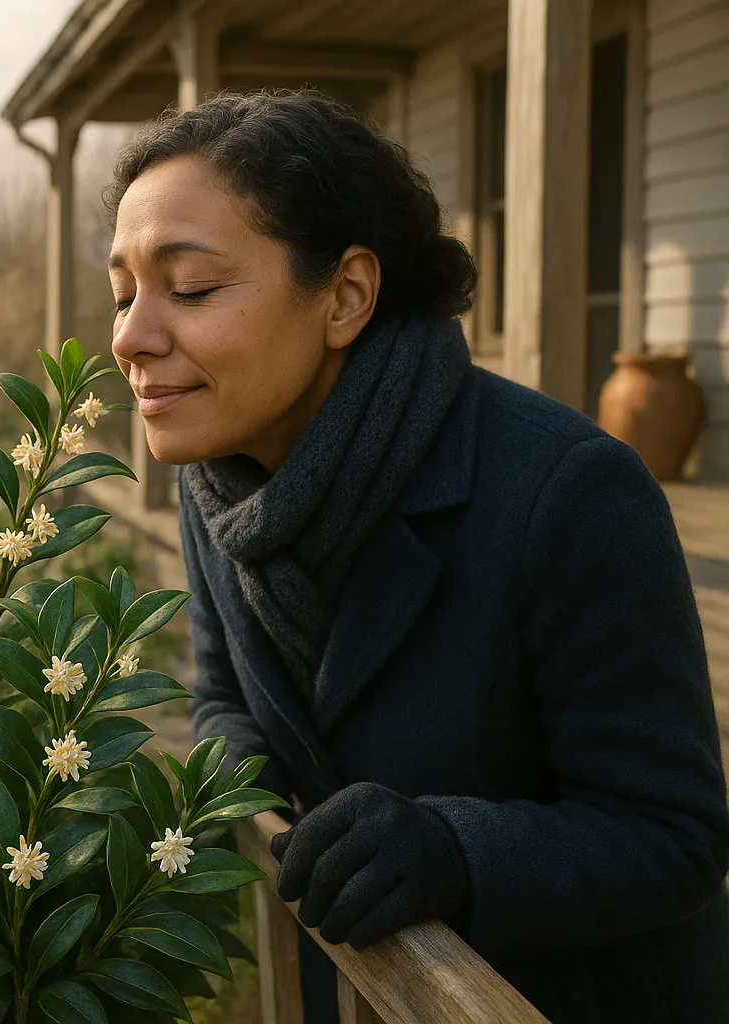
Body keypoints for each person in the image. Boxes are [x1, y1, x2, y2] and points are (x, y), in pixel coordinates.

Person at [104, 89, 729, 1024]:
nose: (130, 337)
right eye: (124, 293)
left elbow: (674, 839)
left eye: (188, 288)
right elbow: (223, 691)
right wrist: (242, 792)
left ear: (347, 296)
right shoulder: (218, 480)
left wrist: (451, 849)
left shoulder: (569, 492)